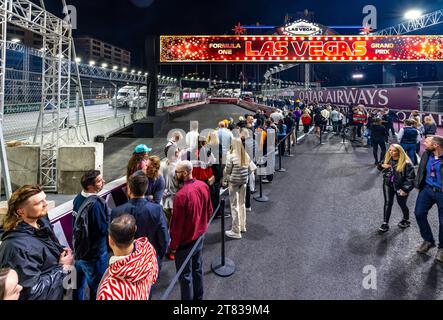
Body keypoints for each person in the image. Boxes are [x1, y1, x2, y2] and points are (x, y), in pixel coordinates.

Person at [0, 185, 73, 300]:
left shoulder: (41, 220)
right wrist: (63, 268)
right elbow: (32, 294)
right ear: (21, 211)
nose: (45, 204)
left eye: (44, 199)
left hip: (59, 290)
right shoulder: (16, 247)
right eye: (38, 203)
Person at [168, 160, 213, 300]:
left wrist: (173, 247)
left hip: (185, 243)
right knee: (197, 268)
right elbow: (209, 210)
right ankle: (199, 297)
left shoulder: (181, 196)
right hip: (200, 237)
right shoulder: (203, 185)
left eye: (178, 172)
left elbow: (177, 226)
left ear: (185, 173)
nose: (176, 175)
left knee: (185, 276)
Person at [111, 171, 169, 269]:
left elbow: (113, 239)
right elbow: (164, 238)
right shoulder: (156, 210)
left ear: (129, 189)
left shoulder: (116, 212)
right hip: (150, 259)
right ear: (145, 189)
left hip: (126, 262)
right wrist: (158, 256)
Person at [97, 214, 158, 300]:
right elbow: (154, 278)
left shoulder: (109, 291)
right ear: (135, 229)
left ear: (110, 240)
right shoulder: (148, 249)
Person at [72, 170, 109, 301]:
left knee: (77, 286)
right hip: (94, 255)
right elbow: (102, 230)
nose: (103, 182)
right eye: (99, 181)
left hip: (79, 253)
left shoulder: (78, 198)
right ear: (90, 186)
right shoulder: (96, 205)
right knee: (98, 288)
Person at [414, 136, 443, 262]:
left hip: (441, 193)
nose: (423, 143)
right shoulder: (426, 153)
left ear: (436, 145)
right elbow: (421, 169)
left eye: (427, 142)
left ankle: (442, 248)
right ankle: (428, 240)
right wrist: (418, 184)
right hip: (427, 189)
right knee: (419, 213)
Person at [377, 144, 415, 232]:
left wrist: (405, 189)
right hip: (388, 184)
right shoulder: (387, 158)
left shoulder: (406, 163)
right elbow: (380, 167)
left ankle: (406, 219)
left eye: (394, 151)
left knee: (402, 204)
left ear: (399, 152)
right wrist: (381, 165)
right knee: (388, 202)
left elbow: (411, 178)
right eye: (390, 150)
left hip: (401, 187)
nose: (391, 152)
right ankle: (385, 223)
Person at [223, 138, 251, 239]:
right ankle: (243, 226)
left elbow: (227, 169)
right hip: (243, 182)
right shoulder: (245, 155)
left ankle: (236, 230)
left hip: (234, 182)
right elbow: (249, 169)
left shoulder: (231, 155)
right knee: (242, 203)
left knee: (234, 205)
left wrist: (226, 178)